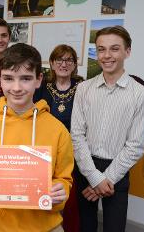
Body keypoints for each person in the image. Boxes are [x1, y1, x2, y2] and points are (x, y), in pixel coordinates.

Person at [0, 43, 74, 232]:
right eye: (9, 78)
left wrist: (60, 191)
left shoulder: (58, 130)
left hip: (45, 227)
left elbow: (64, 180)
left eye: (26, 78)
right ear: (0, 79)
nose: (16, 88)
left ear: (38, 79)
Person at [71, 26, 144, 232]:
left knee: (114, 228)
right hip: (85, 166)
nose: (106, 56)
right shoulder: (83, 89)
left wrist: (106, 179)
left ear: (128, 51)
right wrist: (94, 177)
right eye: (101, 49)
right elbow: (77, 136)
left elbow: (135, 146)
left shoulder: (140, 95)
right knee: (85, 226)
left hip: (118, 170)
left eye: (114, 49)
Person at [34, 44, 83, 232]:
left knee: (70, 201)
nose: (64, 64)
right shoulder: (42, 87)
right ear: (52, 64)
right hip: (46, 153)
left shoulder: (82, 88)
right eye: (59, 60)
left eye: (69, 60)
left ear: (74, 64)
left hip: (73, 154)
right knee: (47, 198)